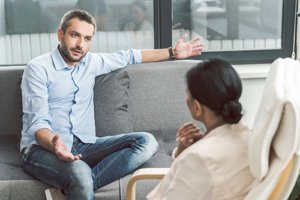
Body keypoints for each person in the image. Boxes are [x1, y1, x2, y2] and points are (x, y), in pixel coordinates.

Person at [20, 9, 204, 200]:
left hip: (84, 144)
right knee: (79, 171)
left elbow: (130, 56)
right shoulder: (38, 68)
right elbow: (38, 123)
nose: (80, 44)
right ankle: (79, 182)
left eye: (87, 38)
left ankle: (72, 189)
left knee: (146, 142)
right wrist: (55, 146)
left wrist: (172, 52)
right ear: (61, 34)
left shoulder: (92, 62)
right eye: (74, 35)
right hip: (41, 150)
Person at [147, 59, 254, 200]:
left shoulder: (199, 159)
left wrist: (192, 152)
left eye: (187, 94)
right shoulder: (249, 136)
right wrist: (187, 149)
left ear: (197, 107)